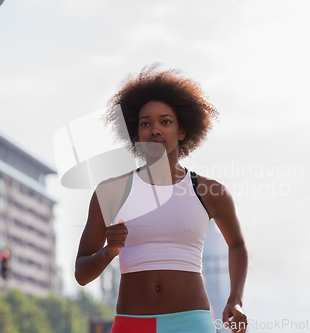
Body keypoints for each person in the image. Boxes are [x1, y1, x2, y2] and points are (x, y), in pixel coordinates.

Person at [74, 65, 249, 333]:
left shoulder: (210, 192)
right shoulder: (110, 192)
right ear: (136, 134)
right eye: (146, 123)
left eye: (165, 121)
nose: (155, 130)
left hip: (190, 323)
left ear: (182, 131)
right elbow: (82, 274)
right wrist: (109, 251)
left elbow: (237, 245)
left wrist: (235, 299)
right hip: (131, 324)